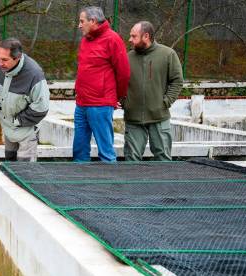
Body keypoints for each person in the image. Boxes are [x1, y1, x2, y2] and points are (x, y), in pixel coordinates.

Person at [73, 6, 130, 162]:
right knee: (79, 150)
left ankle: (111, 184)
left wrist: (116, 96)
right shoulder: (85, 40)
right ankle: (78, 182)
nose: (79, 25)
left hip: (100, 104)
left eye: (81, 21)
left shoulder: (113, 39)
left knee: (105, 151)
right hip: (81, 102)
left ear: (93, 21)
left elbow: (123, 72)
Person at [123, 21, 183, 161]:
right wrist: (124, 101)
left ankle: (163, 184)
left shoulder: (168, 54)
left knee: (163, 160)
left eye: (134, 36)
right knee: (131, 160)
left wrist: (166, 102)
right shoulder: (126, 58)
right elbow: (118, 82)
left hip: (159, 117)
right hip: (133, 118)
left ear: (146, 36)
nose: (130, 39)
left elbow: (177, 80)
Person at [0, 38, 50, 162]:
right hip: (8, 128)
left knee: (25, 172)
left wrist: (17, 120)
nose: (0, 63)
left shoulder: (34, 75)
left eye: (4, 59)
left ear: (17, 58)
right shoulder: (0, 64)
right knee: (9, 165)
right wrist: (0, 108)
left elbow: (42, 107)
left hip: (26, 131)